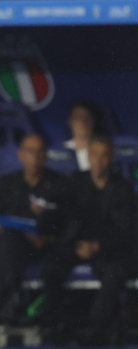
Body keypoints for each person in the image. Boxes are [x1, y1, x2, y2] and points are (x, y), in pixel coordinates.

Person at [0, 134, 70, 347]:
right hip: (15, 246)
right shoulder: (7, 183)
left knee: (6, 265)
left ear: (45, 155)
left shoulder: (59, 184)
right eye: (29, 151)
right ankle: (16, 317)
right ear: (20, 155)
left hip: (48, 247)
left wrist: (46, 236)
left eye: (39, 151)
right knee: (8, 246)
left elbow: (67, 224)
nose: (34, 156)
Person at [40, 135, 134, 346]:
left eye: (104, 155)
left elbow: (126, 231)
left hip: (108, 249)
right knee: (52, 270)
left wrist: (97, 246)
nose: (99, 160)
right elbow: (63, 218)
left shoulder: (123, 188)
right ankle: (56, 327)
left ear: (111, 158)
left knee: (111, 273)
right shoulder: (76, 182)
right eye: (95, 155)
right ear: (89, 157)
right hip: (78, 245)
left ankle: (95, 330)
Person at [63, 99, 106, 172]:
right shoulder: (61, 150)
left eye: (87, 117)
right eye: (78, 117)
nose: (83, 121)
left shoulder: (103, 152)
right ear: (70, 121)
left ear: (94, 121)